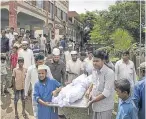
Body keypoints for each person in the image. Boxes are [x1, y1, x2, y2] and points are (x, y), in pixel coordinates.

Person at [86, 50, 115, 119]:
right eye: (93, 61)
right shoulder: (94, 70)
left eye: (97, 61)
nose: (94, 63)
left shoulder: (109, 73)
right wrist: (89, 91)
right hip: (96, 105)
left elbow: (106, 93)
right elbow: (93, 82)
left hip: (105, 107)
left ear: (103, 61)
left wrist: (92, 101)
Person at [25, 54, 53, 118]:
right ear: (35, 61)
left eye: (43, 62)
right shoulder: (30, 69)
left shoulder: (46, 68)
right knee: (36, 111)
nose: (42, 64)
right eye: (40, 62)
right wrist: (25, 93)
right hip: (35, 94)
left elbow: (51, 80)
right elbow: (27, 81)